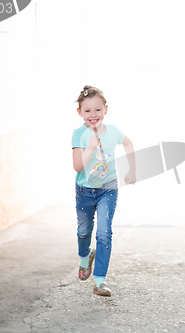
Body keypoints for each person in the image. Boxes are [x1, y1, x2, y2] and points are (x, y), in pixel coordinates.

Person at [72, 85, 136, 297]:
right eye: (87, 111)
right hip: (85, 191)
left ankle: (99, 281)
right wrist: (90, 147)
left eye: (97, 110)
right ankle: (85, 257)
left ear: (105, 110)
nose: (93, 115)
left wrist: (131, 170)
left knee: (104, 233)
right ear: (80, 112)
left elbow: (129, 144)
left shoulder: (114, 132)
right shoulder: (78, 135)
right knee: (84, 230)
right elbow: (78, 166)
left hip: (108, 189)